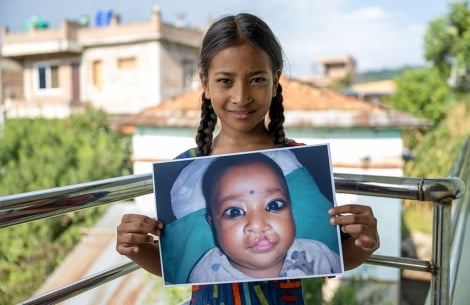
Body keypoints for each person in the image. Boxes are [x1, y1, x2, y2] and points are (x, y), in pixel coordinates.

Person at [116, 12, 380, 304]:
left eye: (256, 79)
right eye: (225, 81)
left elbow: (335, 257)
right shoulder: (184, 171)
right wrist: (137, 249)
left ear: (275, 79)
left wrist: (364, 243)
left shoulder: (299, 160)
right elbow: (176, 267)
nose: (241, 97)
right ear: (205, 83)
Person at [189, 152, 341, 283]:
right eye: (234, 212)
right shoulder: (206, 273)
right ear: (212, 224)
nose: (257, 225)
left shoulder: (318, 255)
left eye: (274, 205)